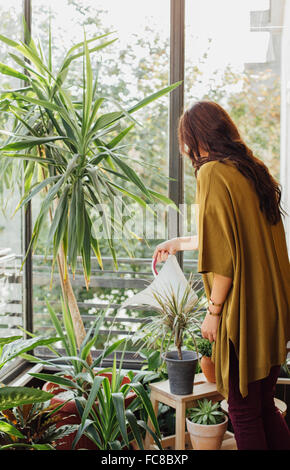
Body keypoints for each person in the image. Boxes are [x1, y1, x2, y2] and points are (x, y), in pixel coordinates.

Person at [152, 101, 290, 450]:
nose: (184, 148)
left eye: (184, 140)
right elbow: (234, 237)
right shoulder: (250, 169)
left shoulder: (211, 172)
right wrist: (180, 242)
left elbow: (225, 258)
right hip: (273, 310)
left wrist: (213, 313)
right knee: (263, 407)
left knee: (243, 413)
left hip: (244, 313)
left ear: (195, 138)